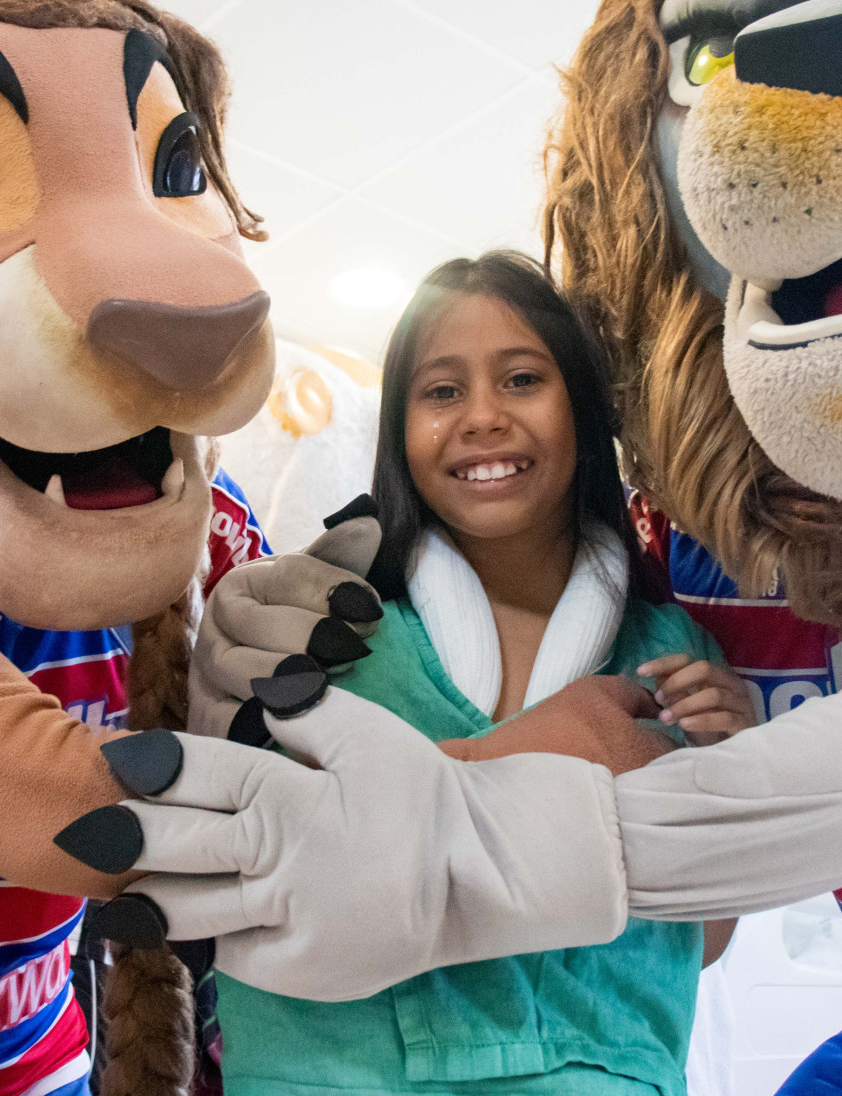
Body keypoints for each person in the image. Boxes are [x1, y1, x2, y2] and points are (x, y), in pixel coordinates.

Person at [205, 252, 754, 1096]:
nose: (483, 418)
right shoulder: (325, 628)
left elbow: (701, 945)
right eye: (442, 391)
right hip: (329, 1072)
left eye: (523, 379)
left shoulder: (673, 653)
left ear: (583, 404)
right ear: (399, 429)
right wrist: (539, 759)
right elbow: (272, 876)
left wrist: (734, 786)